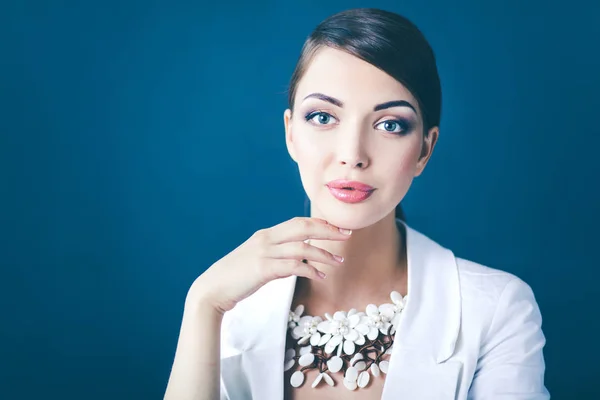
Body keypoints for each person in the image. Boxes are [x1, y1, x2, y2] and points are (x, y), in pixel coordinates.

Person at [164, 8, 549, 400]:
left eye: (390, 125)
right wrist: (203, 303)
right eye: (322, 117)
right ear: (291, 133)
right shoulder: (230, 307)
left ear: (425, 150)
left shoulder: (497, 310)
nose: (353, 154)